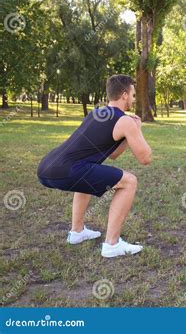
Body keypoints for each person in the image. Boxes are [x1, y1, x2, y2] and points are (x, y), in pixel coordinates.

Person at [37, 74, 153, 257]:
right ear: (124, 95)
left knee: (87, 173)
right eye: (132, 94)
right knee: (129, 181)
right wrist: (136, 128)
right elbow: (146, 158)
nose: (133, 99)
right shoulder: (126, 121)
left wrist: (128, 135)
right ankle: (112, 244)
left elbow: (113, 154)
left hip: (46, 167)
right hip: (67, 170)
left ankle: (77, 232)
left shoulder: (96, 113)